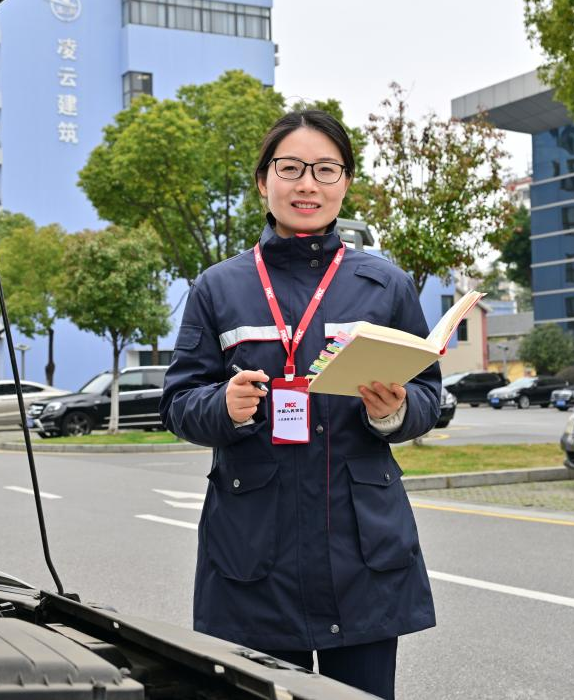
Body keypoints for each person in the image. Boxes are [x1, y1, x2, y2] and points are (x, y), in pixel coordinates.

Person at [160, 110, 441, 699]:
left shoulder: (385, 285)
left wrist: (392, 411)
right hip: (251, 552)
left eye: (325, 169)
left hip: (362, 550)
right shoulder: (218, 287)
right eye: (290, 168)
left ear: (345, 182)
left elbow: (428, 395)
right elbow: (180, 401)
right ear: (264, 182)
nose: (307, 184)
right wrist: (226, 407)